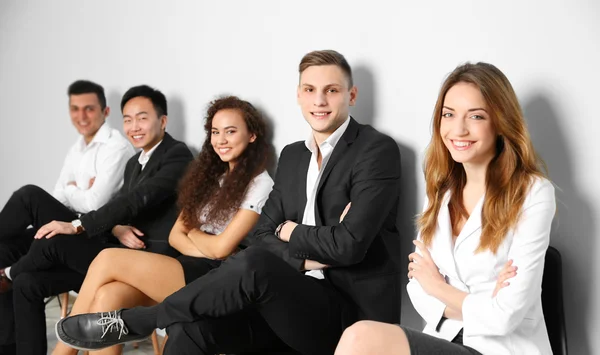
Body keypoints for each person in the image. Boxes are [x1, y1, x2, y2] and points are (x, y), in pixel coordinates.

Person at [55, 49, 402, 355]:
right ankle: (147, 320)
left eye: (332, 90)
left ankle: (143, 320)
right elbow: (266, 233)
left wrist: (288, 231)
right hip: (285, 296)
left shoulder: (375, 150)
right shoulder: (295, 156)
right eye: (310, 90)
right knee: (190, 330)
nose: (320, 101)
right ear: (298, 96)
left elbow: (348, 247)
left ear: (351, 95)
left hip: (345, 313)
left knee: (254, 262)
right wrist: (301, 251)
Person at [333, 62, 555, 355]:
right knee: (358, 336)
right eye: (448, 114)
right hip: (444, 340)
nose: (458, 129)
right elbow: (416, 288)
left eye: (475, 116)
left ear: (501, 121)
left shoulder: (533, 192)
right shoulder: (441, 190)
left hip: (500, 349)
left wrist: (438, 287)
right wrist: (481, 301)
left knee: (362, 338)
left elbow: (505, 318)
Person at [51, 95, 274, 355]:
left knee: (107, 258)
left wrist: (194, 233)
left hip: (216, 278)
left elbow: (220, 250)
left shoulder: (260, 184)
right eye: (215, 132)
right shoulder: (212, 178)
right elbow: (176, 237)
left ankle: (62, 352)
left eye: (230, 131)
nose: (221, 140)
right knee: (109, 295)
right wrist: (200, 239)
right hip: (188, 265)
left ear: (252, 136)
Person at [1, 85, 194, 355]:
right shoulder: (134, 163)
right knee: (28, 282)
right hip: (117, 251)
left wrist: (76, 224)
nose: (134, 126)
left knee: (44, 230)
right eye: (127, 119)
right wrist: (116, 226)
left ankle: (8, 274)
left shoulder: (177, 155)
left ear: (162, 121)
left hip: (147, 260)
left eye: (142, 117)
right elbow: (123, 209)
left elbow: (137, 199)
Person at [0, 79, 134, 355]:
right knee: (7, 255)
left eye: (89, 109)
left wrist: (75, 191)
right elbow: (60, 196)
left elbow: (95, 204)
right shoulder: (77, 149)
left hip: (95, 239)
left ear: (105, 112)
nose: (81, 116)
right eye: (75, 109)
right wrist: (80, 191)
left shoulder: (115, 147)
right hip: (70, 233)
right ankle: (8, 346)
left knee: (29, 196)